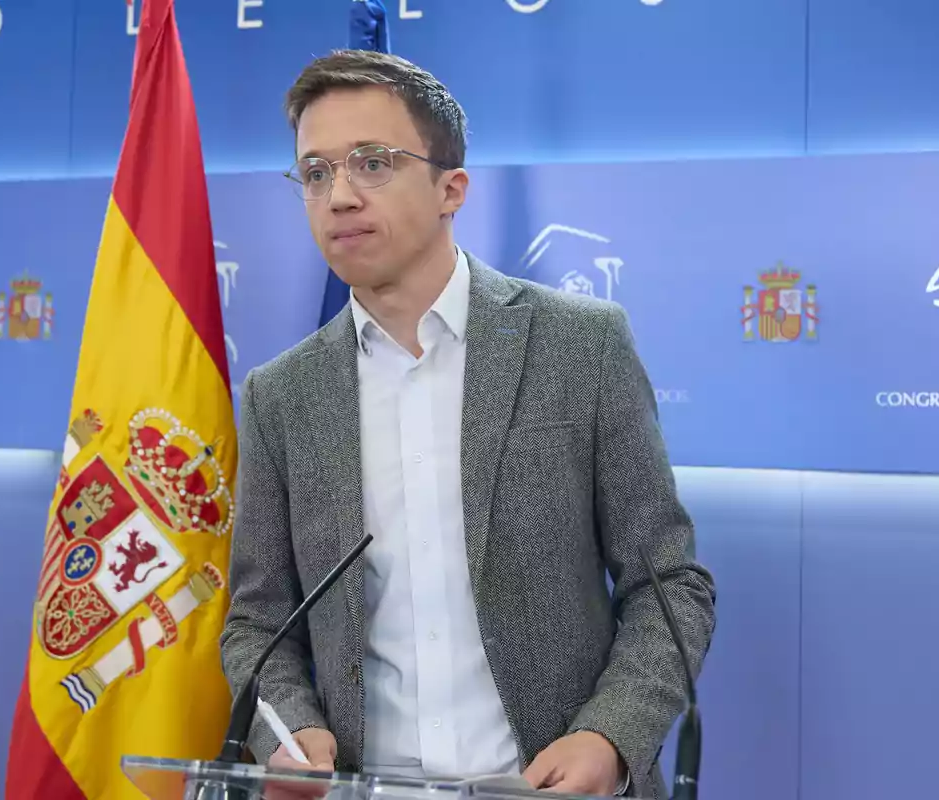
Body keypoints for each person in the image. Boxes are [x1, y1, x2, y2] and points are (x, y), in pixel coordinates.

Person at [219, 49, 716, 800]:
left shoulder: (581, 345)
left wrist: (610, 735)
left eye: (372, 163)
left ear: (452, 188)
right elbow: (257, 623)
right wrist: (286, 726)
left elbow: (671, 586)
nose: (340, 196)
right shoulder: (279, 395)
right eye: (316, 172)